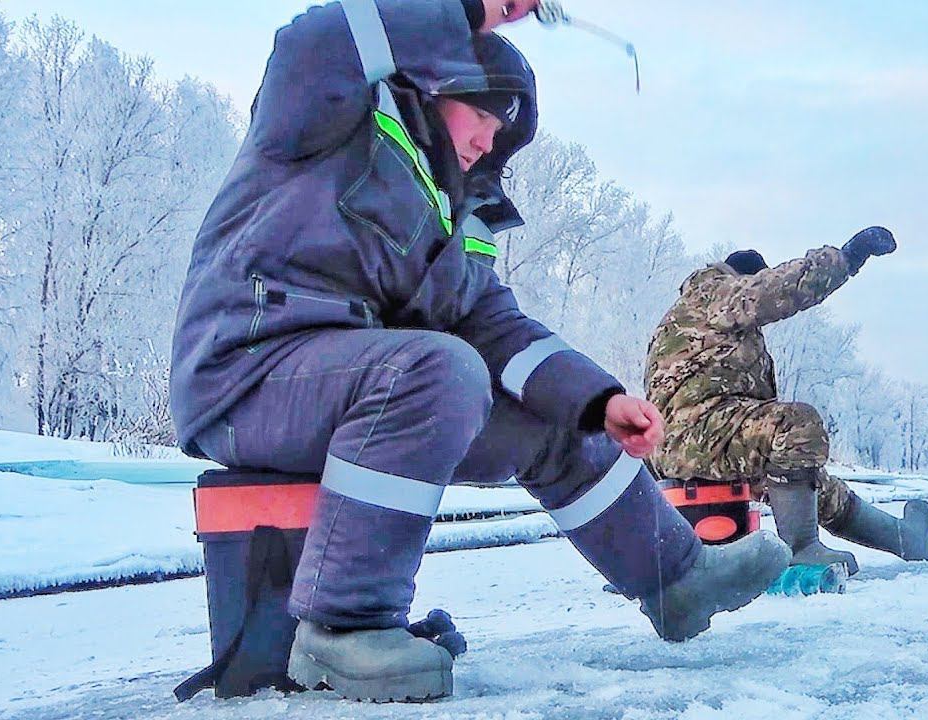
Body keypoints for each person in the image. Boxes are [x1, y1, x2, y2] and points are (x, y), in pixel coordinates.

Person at [170, 0, 789, 703]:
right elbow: (321, 35)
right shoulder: (326, 113)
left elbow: (493, 326)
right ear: (435, 88)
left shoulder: (453, 214)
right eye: (482, 118)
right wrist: (472, 8)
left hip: (354, 391)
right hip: (244, 372)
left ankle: (676, 579)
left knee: (548, 415)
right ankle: (344, 627)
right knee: (440, 368)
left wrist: (601, 401)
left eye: (501, 133)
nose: (487, 144)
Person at [645, 229, 928, 578]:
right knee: (796, 425)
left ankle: (906, 539)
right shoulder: (713, 292)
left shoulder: (703, 322)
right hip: (695, 437)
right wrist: (846, 259)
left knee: (813, 485)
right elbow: (773, 290)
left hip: (693, 442)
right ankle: (801, 548)